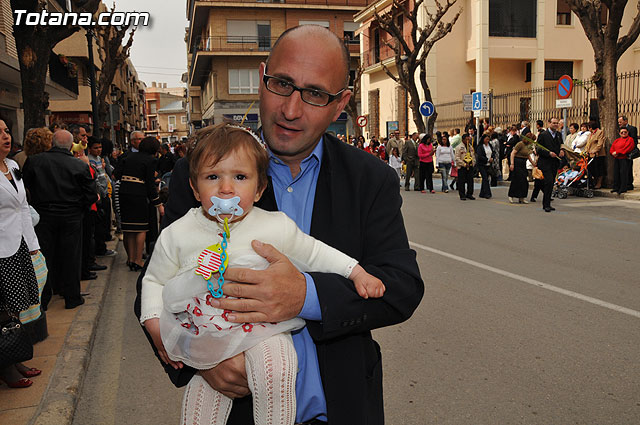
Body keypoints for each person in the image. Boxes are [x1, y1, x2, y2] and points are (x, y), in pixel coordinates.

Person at [134, 25, 423, 425]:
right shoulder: (205, 174)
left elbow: (401, 286)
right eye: (282, 84)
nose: (290, 109)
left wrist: (306, 296)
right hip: (237, 409)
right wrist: (197, 361)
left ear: (341, 104)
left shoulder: (370, 178)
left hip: (342, 406)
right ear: (261, 78)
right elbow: (158, 278)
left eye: (316, 94)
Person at [141, 123, 385, 425]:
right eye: (212, 177)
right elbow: (154, 280)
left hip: (264, 329)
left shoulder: (274, 226)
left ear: (259, 189)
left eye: (240, 177)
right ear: (194, 187)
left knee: (278, 369)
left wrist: (356, 271)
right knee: (201, 401)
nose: (226, 189)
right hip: (206, 333)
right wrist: (154, 325)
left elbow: (315, 253)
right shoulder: (178, 234)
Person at [23, 130, 98, 309]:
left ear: (53, 143)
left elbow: (26, 187)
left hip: (44, 215)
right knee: (71, 256)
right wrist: (79, 208)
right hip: (70, 215)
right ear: (71, 145)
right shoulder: (79, 165)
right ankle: (72, 296)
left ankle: (44, 298)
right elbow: (90, 194)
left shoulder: (35, 161)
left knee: (46, 256)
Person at [0, 118, 42, 388]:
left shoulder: (13, 166)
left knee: (16, 307)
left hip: (19, 247)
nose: (5, 136)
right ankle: (6, 367)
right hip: (1, 250)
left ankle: (15, 356)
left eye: (5, 130)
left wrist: (33, 244)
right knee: (3, 309)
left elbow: (23, 208)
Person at [114, 137, 164, 271]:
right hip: (138, 194)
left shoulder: (128, 157)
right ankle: (138, 260)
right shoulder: (150, 160)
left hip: (123, 193)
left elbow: (116, 174)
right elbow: (150, 184)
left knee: (129, 229)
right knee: (141, 228)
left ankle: (130, 259)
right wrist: (158, 204)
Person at [536, 117, 564, 212]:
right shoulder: (543, 135)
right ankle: (546, 204)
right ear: (549, 123)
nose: (555, 125)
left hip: (554, 162)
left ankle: (547, 203)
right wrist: (548, 153)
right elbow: (538, 149)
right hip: (545, 162)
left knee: (551, 183)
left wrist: (561, 151)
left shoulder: (559, 135)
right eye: (554, 123)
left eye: (557, 123)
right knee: (548, 181)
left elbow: (562, 145)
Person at [508, 133, 536, 203]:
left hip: (523, 163)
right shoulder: (520, 144)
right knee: (517, 180)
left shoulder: (529, 146)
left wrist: (533, 163)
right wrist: (512, 164)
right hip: (517, 161)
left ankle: (522, 197)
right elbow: (513, 153)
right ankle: (511, 195)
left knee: (524, 181)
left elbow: (528, 155)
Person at [610, 127, 635, 194]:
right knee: (616, 173)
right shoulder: (617, 140)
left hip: (624, 158)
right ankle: (616, 187)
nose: (623, 133)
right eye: (622, 132)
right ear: (619, 133)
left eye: (625, 132)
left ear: (628, 133)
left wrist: (617, 152)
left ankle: (623, 188)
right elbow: (612, 147)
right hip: (617, 158)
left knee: (623, 174)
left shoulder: (630, 139)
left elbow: (627, 148)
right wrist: (613, 153)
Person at [584, 121, 607, 189]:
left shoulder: (599, 132)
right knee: (591, 169)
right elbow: (588, 144)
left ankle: (599, 183)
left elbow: (600, 144)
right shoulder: (590, 134)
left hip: (598, 154)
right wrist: (586, 151)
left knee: (599, 169)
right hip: (590, 154)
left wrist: (594, 150)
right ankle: (593, 182)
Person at [618, 115, 637, 191]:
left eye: (620, 122)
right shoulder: (618, 129)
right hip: (621, 152)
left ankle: (629, 184)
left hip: (628, 151)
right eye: (618, 122)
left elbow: (634, 141)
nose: (619, 123)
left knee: (628, 168)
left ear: (625, 121)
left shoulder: (632, 129)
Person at [454, 133, 475, 200]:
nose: (468, 141)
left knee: (470, 181)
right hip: (462, 166)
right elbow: (457, 158)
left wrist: (473, 163)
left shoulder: (470, 147)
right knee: (461, 181)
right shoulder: (459, 147)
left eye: (469, 139)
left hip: (470, 166)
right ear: (463, 140)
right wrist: (464, 164)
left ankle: (469, 194)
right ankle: (462, 195)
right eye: (466, 139)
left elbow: (473, 156)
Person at [476, 134, 493, 199]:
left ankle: (482, 193)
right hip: (481, 164)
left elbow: (493, 152)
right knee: (485, 179)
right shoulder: (480, 147)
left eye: (488, 139)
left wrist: (492, 158)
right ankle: (487, 193)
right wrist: (487, 159)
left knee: (485, 179)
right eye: (486, 139)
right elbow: (480, 156)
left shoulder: (490, 146)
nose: (487, 141)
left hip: (488, 165)